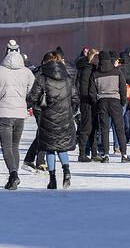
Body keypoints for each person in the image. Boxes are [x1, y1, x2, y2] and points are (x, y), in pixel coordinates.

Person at [0, 40, 37, 188]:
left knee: (6, 146)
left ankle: (13, 174)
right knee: (15, 145)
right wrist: (25, 105)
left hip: (4, 113)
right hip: (20, 113)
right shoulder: (27, 72)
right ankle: (13, 176)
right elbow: (33, 91)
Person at [26, 51, 78, 189]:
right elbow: (75, 98)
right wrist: (68, 110)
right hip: (65, 118)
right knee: (62, 146)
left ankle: (52, 179)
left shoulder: (42, 78)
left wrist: (31, 105)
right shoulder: (67, 77)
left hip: (48, 117)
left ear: (45, 62)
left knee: (49, 148)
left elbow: (32, 98)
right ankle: (66, 170)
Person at [92, 51, 130, 163]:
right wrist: (123, 102)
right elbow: (123, 88)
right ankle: (124, 155)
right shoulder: (117, 72)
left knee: (104, 129)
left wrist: (97, 103)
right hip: (115, 102)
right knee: (119, 128)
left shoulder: (95, 74)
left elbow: (92, 92)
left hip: (102, 102)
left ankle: (106, 155)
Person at [75, 48, 98, 162]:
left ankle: (94, 153)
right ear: (92, 57)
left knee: (93, 128)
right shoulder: (87, 69)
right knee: (86, 128)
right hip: (87, 101)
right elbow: (84, 88)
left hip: (90, 101)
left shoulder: (88, 68)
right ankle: (82, 154)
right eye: (96, 56)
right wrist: (92, 99)